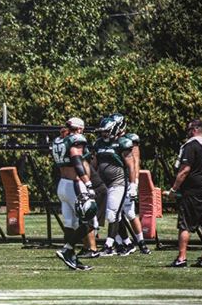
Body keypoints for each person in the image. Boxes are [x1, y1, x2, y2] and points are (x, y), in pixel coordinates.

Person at [165, 119, 202, 267]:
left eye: (188, 130)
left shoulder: (191, 146)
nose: (186, 133)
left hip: (191, 190)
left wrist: (174, 189)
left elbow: (184, 170)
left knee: (185, 225)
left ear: (194, 130)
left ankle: (182, 258)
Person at [50, 117, 95, 271]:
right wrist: (88, 182)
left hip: (62, 185)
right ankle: (68, 249)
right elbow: (76, 161)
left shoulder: (58, 140)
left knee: (70, 224)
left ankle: (72, 258)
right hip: (75, 185)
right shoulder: (76, 139)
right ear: (80, 128)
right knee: (90, 222)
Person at [92, 114, 135, 256]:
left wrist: (133, 185)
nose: (103, 133)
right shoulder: (99, 143)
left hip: (119, 182)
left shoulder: (123, 143)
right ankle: (127, 244)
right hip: (103, 184)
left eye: (106, 130)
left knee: (112, 215)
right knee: (116, 215)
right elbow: (94, 164)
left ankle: (109, 246)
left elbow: (131, 165)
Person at [116, 120, 152, 255]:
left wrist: (134, 183)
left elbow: (135, 162)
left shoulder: (129, 139)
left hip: (127, 180)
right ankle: (121, 243)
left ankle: (141, 242)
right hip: (115, 180)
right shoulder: (111, 141)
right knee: (115, 214)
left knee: (129, 212)